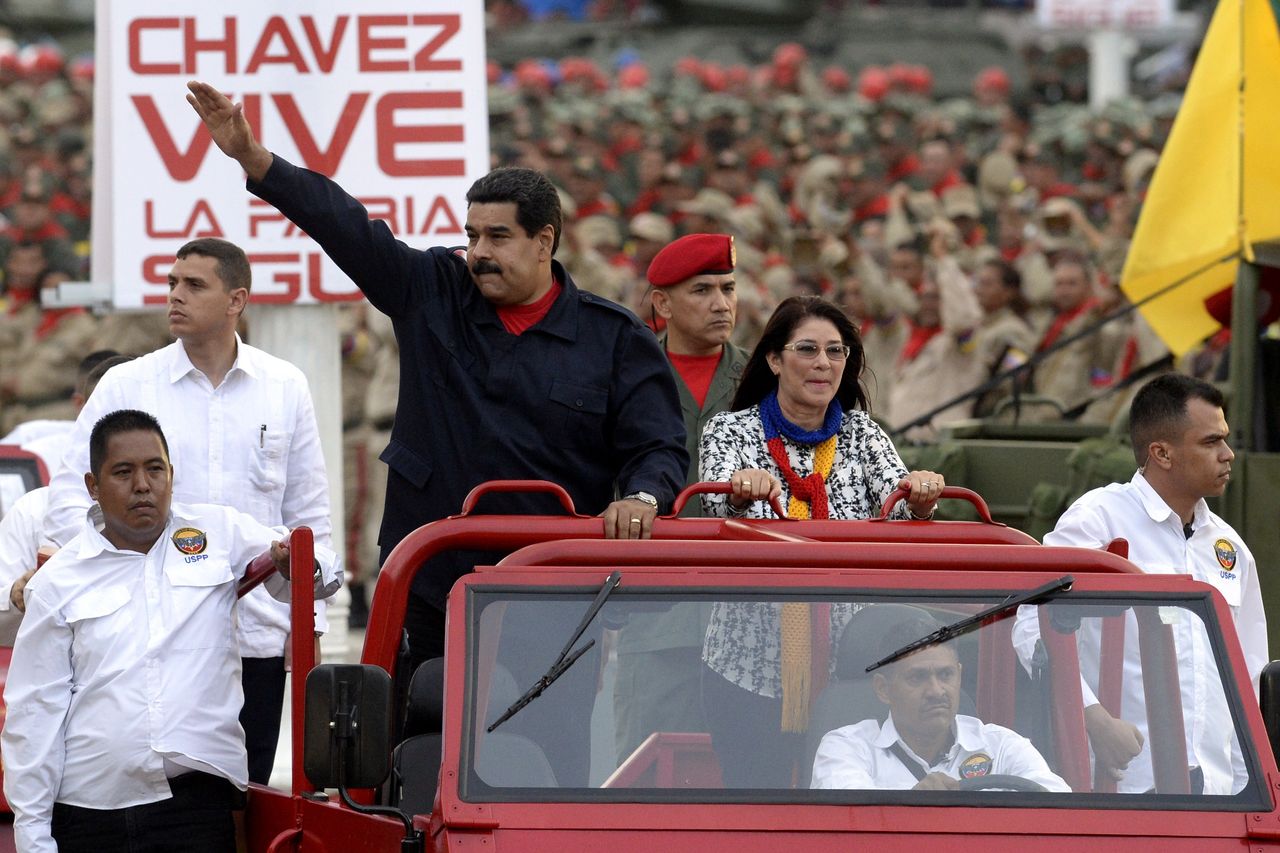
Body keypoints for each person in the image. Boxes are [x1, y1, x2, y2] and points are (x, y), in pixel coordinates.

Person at [186, 81, 688, 671]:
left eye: (497, 237)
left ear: (544, 241)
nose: (476, 252)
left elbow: (657, 445)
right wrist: (254, 159)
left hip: (553, 591)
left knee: (549, 757)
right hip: (428, 582)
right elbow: (345, 225)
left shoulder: (614, 337)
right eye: (472, 234)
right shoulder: (432, 290)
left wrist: (642, 496)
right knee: (414, 748)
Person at [43, 237, 332, 786]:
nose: (175, 295)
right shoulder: (127, 384)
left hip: (256, 637)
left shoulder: (285, 386)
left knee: (244, 805)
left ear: (236, 300)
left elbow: (309, 520)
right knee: (155, 804)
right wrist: (121, 591)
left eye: (193, 285)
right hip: (147, 639)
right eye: (172, 282)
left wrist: (308, 615)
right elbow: (70, 500)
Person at [2, 409, 339, 853]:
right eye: (123, 472)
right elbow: (34, 712)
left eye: (154, 469)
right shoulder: (58, 581)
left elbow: (318, 567)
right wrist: (33, 834)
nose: (143, 485)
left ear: (171, 475)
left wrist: (294, 563)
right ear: (93, 487)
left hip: (194, 810)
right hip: (87, 815)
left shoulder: (217, 533)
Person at [697, 295, 946, 786]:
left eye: (836, 352)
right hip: (745, 668)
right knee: (757, 815)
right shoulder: (730, 430)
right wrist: (742, 493)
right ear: (774, 359)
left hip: (850, 674)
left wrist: (921, 498)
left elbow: (898, 510)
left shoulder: (863, 434)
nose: (823, 364)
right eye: (807, 349)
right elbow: (716, 506)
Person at [1012, 374, 1264, 794]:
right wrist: (1091, 717)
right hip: (1120, 785)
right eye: (1210, 442)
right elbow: (1028, 624)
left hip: (1219, 792)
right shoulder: (1096, 520)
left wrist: (1247, 784)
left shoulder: (1230, 547)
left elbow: (1248, 677)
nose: (1228, 455)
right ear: (1161, 453)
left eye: (1225, 440)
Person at [613, 233, 749, 762]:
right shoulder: (624, 376)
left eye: (728, 288)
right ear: (662, 304)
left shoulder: (766, 379)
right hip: (654, 611)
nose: (721, 303)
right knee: (646, 771)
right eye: (703, 290)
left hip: (749, 611)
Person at [811, 617, 1068, 792]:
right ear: (883, 689)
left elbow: (1062, 812)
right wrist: (912, 803)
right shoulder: (846, 747)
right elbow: (849, 822)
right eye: (918, 677)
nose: (936, 691)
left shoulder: (1002, 746)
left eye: (945, 675)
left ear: (958, 675)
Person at [0, 354, 132, 628]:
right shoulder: (34, 511)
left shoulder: (186, 513)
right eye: (107, 416)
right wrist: (15, 595)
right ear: (82, 413)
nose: (123, 433)